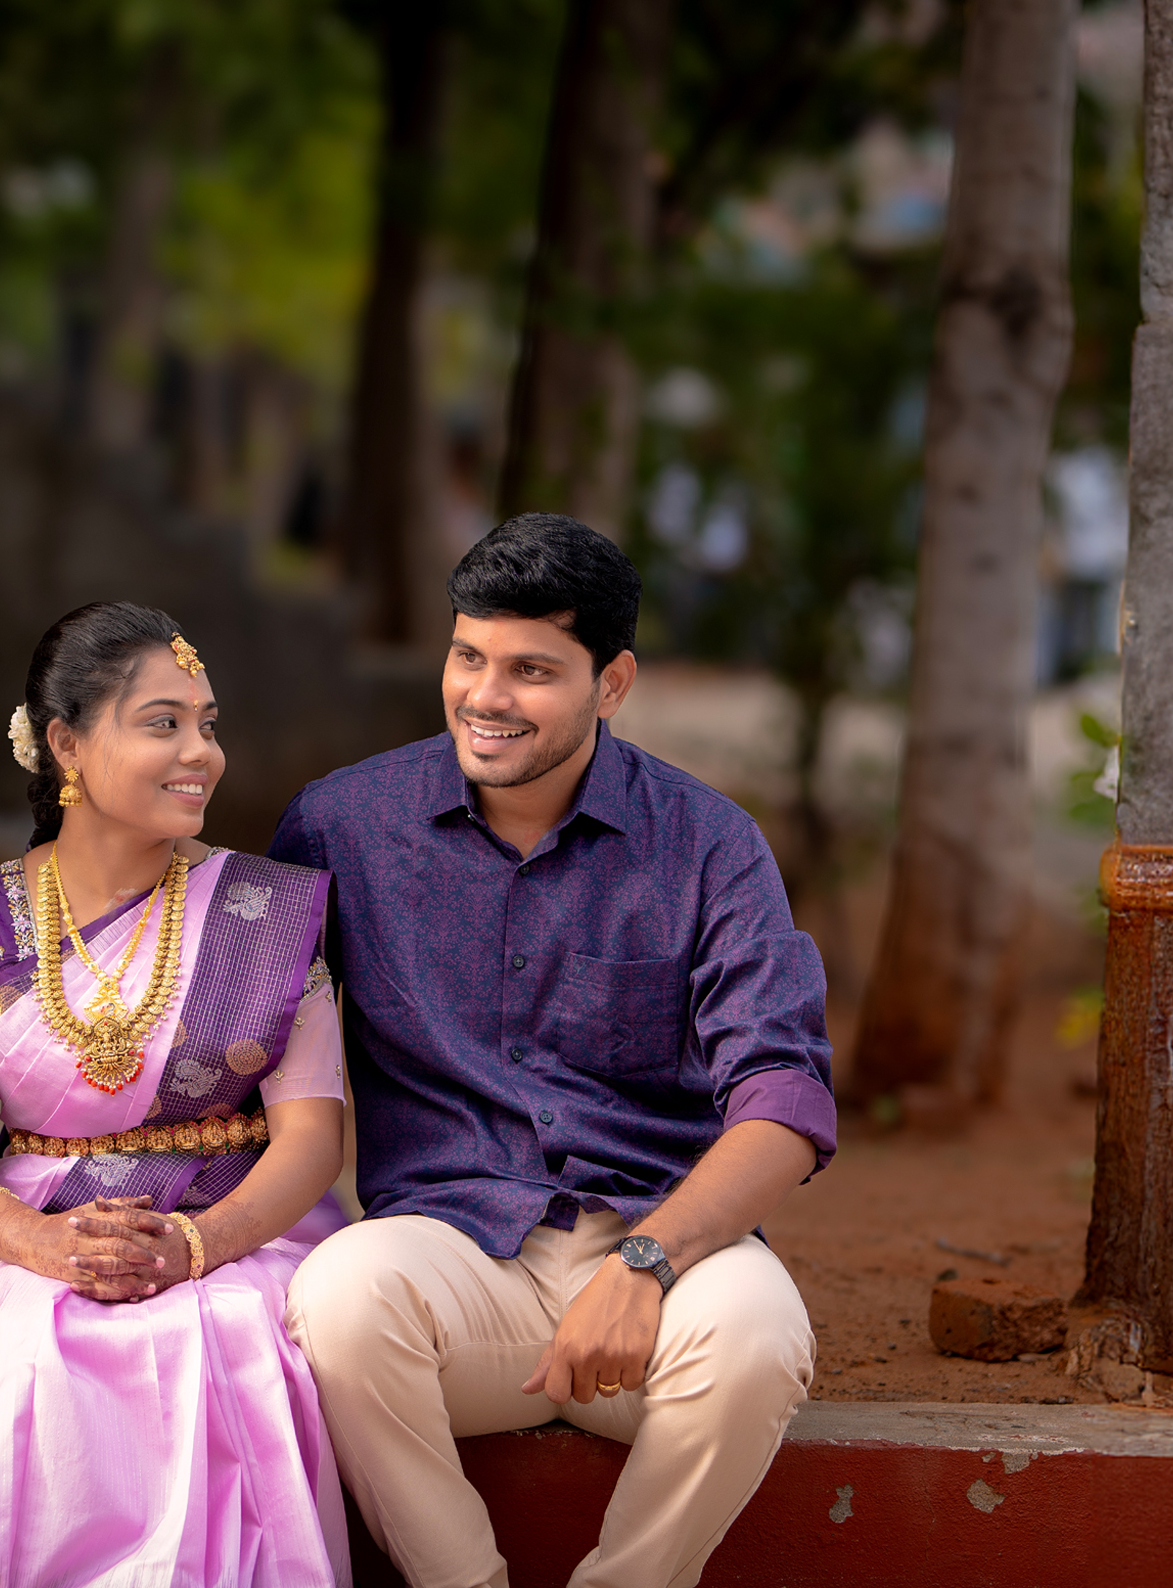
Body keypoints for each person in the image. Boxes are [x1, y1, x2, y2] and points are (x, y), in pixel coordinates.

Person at [271, 514, 836, 1588]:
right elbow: (232, 1036)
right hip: (455, 1264)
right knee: (339, 1298)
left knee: (761, 1338)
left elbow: (786, 1105)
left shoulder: (708, 843)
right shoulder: (343, 826)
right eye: (469, 656)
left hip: (663, 1262)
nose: (485, 696)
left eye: (532, 670)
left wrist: (647, 1262)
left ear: (611, 684)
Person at [0, 602, 351, 1588]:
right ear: (66, 743)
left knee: (232, 1344)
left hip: (244, 1230)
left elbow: (313, 1140)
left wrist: (195, 1247)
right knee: (26, 1357)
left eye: (209, 723)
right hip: (46, 1235)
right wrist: (43, 1246)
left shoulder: (266, 912)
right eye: (164, 723)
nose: (202, 753)